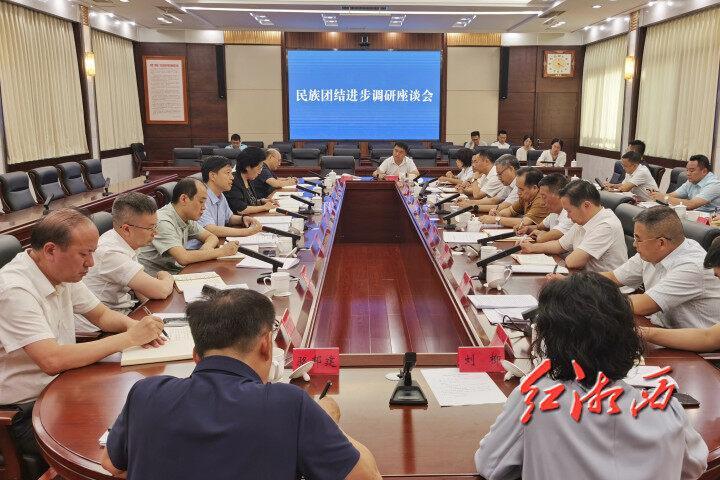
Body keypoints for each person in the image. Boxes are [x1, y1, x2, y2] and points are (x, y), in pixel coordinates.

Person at [101, 288, 382, 480]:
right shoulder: (288, 404)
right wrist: (323, 419)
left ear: (196, 355)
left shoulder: (145, 392)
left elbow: (111, 464)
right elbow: (366, 476)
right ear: (266, 345)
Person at [475, 273, 708, 480]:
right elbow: (695, 466)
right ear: (628, 339)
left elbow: (491, 466)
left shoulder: (534, 399)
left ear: (548, 342)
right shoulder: (668, 411)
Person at [0, 209, 165, 472]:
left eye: (93, 253)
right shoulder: (14, 290)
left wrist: (133, 326)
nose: (91, 263)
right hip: (25, 410)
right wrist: (129, 338)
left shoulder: (60, 270)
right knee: (118, 455)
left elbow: (102, 316)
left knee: (140, 423)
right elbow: (51, 360)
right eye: (84, 254)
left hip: (63, 387)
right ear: (51, 250)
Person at [601, 206, 720, 329]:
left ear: (661, 243)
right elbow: (613, 277)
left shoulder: (692, 266)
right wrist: (587, 282)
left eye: (638, 239)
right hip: (661, 327)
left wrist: (595, 296)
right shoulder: (651, 252)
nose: (634, 244)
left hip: (692, 339)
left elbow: (643, 305)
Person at [77, 193, 174, 331]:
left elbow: (140, 288)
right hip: (99, 329)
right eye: (150, 228)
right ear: (127, 229)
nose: (155, 232)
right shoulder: (110, 252)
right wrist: (165, 275)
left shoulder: (125, 242)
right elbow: (161, 290)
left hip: (122, 315)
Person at [138, 178, 239, 276]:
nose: (204, 207)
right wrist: (222, 251)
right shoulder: (163, 221)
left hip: (174, 271)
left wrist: (206, 249)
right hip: (156, 279)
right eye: (201, 202)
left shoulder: (186, 217)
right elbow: (183, 258)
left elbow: (211, 237)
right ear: (184, 199)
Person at [521, 180, 627, 272]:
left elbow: (573, 262)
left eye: (569, 211)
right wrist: (532, 247)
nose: (567, 216)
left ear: (586, 205)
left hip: (605, 285)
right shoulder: (584, 219)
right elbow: (559, 245)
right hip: (586, 279)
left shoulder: (606, 225)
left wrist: (568, 256)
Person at [641, 237, 720, 351]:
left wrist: (643, 333)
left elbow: (709, 339)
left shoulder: (692, 265)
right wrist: (643, 333)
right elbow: (708, 336)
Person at [186, 156, 263, 250]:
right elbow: (210, 229)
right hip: (196, 250)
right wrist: (246, 232)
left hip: (215, 245)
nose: (232, 177)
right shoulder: (201, 197)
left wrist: (243, 219)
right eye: (228, 173)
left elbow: (229, 217)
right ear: (213, 176)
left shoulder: (220, 195)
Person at [479, 167, 548, 228]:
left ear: (534, 188)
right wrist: (498, 214)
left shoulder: (542, 199)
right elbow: (510, 211)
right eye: (518, 188)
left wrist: (497, 219)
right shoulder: (526, 197)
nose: (518, 192)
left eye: (521, 189)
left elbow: (524, 222)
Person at [516, 173, 573, 243]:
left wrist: (541, 234)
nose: (542, 203)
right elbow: (539, 227)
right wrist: (527, 228)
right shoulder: (554, 212)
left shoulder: (570, 214)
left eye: (544, 197)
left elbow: (544, 238)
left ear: (559, 195)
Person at [651, 154, 720, 213]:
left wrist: (664, 198)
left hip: (709, 220)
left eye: (691, 171)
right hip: (693, 215)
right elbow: (673, 195)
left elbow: (691, 204)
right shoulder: (691, 181)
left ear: (704, 171)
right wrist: (657, 195)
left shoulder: (714, 184)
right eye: (687, 170)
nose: (688, 173)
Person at [225, 147, 278, 215]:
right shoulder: (233, 181)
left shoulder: (249, 178)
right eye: (259, 168)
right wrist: (264, 207)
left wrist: (262, 201)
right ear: (248, 167)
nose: (260, 172)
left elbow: (250, 201)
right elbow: (241, 209)